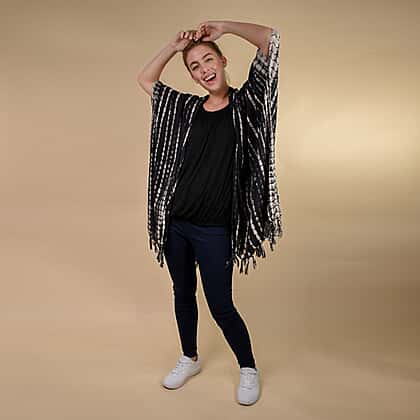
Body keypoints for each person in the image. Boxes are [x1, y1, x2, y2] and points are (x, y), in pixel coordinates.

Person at [136, 20, 283, 406]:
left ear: (223, 61)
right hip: (176, 224)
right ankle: (189, 358)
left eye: (208, 60)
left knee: (220, 304)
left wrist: (226, 27)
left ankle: (248, 367)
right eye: (195, 67)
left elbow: (270, 40)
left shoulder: (247, 104)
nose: (204, 70)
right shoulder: (184, 108)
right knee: (182, 292)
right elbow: (146, 79)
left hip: (214, 228)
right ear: (192, 76)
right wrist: (173, 47)